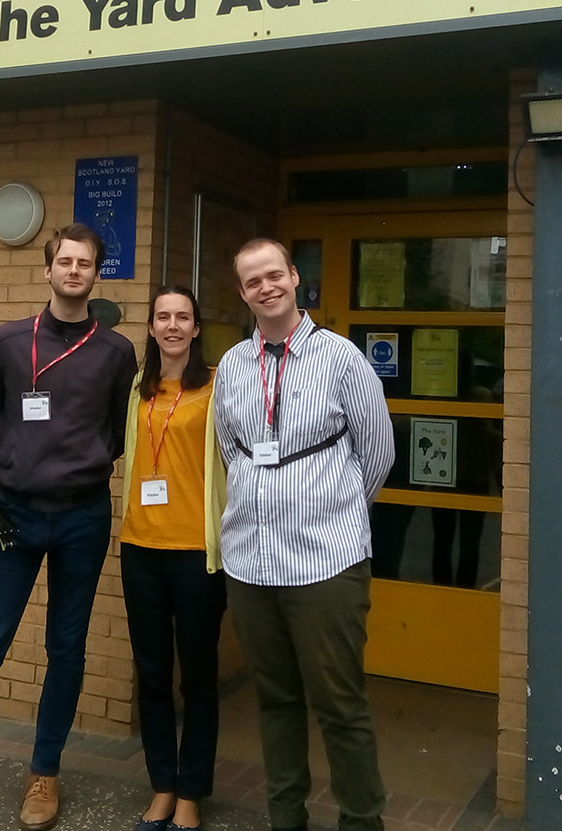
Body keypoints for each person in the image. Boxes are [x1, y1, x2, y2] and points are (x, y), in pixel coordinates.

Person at [0, 223, 138, 831]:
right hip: (10, 515)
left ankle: (45, 771)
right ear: (47, 271)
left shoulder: (117, 351)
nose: (74, 271)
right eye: (64, 262)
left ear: (98, 274)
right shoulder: (10, 341)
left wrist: (81, 460)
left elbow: (120, 434)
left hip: (83, 517)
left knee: (66, 649)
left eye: (85, 263)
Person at [211, 237, 395, 831]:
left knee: (340, 707)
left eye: (274, 275)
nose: (265, 287)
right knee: (277, 702)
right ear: (242, 293)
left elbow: (378, 453)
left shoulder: (341, 358)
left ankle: (362, 821)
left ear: (294, 278)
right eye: (252, 281)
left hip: (327, 564)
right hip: (250, 565)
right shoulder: (234, 366)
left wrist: (329, 510)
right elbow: (230, 450)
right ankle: (285, 817)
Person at [118, 286, 228, 831]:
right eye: (163, 317)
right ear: (152, 326)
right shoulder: (137, 387)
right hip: (140, 549)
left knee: (198, 676)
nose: (173, 325)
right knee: (152, 674)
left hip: (197, 554)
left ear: (197, 327)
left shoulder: (216, 388)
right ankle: (162, 785)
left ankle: (192, 792)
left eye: (183, 316)